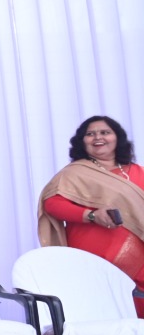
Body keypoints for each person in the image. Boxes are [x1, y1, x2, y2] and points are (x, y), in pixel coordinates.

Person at [38, 116, 144, 286]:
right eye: (90, 134)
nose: (97, 137)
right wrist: (91, 215)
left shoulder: (140, 172)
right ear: (82, 141)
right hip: (94, 259)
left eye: (105, 132)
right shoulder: (74, 174)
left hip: (139, 260)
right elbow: (52, 204)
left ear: (117, 137)